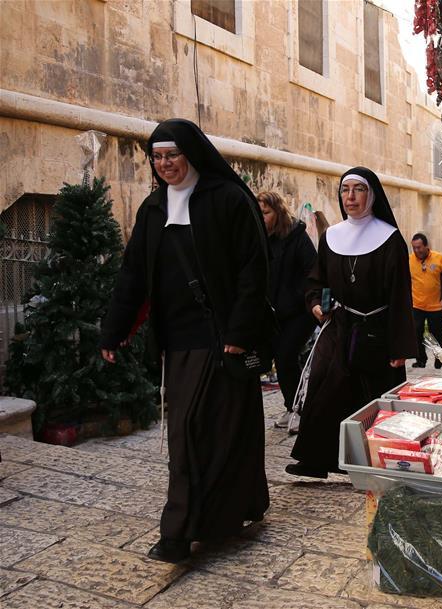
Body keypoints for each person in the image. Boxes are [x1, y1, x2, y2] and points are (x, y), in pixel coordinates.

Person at [99, 118, 270, 563]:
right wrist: (113, 330)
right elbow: (132, 274)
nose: (164, 164)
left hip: (221, 338)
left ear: (191, 153)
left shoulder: (229, 200)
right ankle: (219, 515)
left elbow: (254, 270)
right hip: (177, 342)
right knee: (192, 432)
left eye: (171, 155)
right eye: (157, 158)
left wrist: (240, 332)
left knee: (208, 429)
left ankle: (182, 531)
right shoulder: (153, 209)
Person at [285, 167, 417, 479]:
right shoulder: (331, 237)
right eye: (346, 190)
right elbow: (317, 280)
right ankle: (316, 459)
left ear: (371, 195)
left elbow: (400, 295)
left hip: (377, 328)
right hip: (340, 327)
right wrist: (317, 304)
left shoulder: (389, 239)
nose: (350, 197)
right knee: (325, 390)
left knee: (372, 396)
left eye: (358, 190)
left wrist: (400, 346)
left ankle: (376, 460)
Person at [257, 191, 317, 428]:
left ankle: (299, 409)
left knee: (285, 357)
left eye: (266, 212)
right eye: (259, 213)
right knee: (279, 360)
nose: (261, 217)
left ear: (278, 212)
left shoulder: (297, 236)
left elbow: (312, 271)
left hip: (299, 313)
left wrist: (295, 297)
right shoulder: (259, 238)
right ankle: (294, 406)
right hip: (273, 314)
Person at [409, 232, 442, 368]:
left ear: (426, 246)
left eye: (419, 247)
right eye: (414, 248)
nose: (417, 250)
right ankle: (420, 359)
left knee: (437, 334)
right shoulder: (409, 260)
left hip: (436, 306)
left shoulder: (439, 259)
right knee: (416, 333)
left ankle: (438, 358)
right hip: (417, 304)